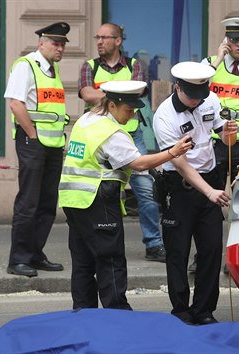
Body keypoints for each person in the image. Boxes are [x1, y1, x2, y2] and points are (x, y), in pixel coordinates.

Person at [59, 80, 193, 309]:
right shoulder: (111, 132)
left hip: (73, 200)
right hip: (97, 200)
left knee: (83, 262)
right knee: (110, 260)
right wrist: (172, 152)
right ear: (111, 106)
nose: (132, 116)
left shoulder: (86, 120)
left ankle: (83, 316)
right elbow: (139, 163)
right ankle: (118, 315)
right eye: (128, 110)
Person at [153, 62, 237, 325]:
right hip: (179, 186)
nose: (196, 101)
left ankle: (204, 310)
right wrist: (210, 192)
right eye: (191, 96)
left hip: (210, 178)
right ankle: (180, 311)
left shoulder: (209, 99)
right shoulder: (164, 116)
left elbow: (223, 137)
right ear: (177, 87)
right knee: (177, 251)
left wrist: (229, 134)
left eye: (201, 95)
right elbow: (181, 164)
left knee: (211, 249)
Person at [78, 23, 165, 262]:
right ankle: (98, 243)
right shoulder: (89, 66)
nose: (99, 41)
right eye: (98, 37)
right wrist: (119, 94)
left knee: (145, 191)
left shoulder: (135, 66)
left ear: (118, 41)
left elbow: (136, 94)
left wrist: (105, 94)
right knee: (99, 190)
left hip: (131, 135)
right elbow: (86, 94)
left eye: (105, 38)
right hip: (99, 136)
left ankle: (154, 244)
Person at [192, 17, 239, 274]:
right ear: (226, 40)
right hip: (215, 144)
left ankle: (237, 258)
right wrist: (216, 60)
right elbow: (196, 89)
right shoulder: (210, 67)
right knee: (208, 204)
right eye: (233, 39)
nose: (238, 45)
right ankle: (204, 256)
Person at [4, 22, 71, 277]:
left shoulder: (51, 70)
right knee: (29, 203)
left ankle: (34, 253)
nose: (60, 48)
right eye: (55, 43)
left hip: (52, 145)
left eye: (63, 44)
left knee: (47, 203)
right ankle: (18, 259)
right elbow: (16, 104)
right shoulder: (26, 65)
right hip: (33, 142)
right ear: (41, 42)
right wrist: (32, 136)